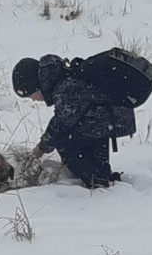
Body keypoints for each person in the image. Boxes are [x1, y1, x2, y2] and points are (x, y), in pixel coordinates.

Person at [12, 53, 136, 188]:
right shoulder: (62, 76)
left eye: (31, 95)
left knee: (65, 140)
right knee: (80, 132)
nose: (34, 99)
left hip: (112, 117)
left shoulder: (64, 87)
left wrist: (42, 148)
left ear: (35, 85)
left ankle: (96, 180)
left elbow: (61, 123)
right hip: (115, 115)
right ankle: (100, 171)